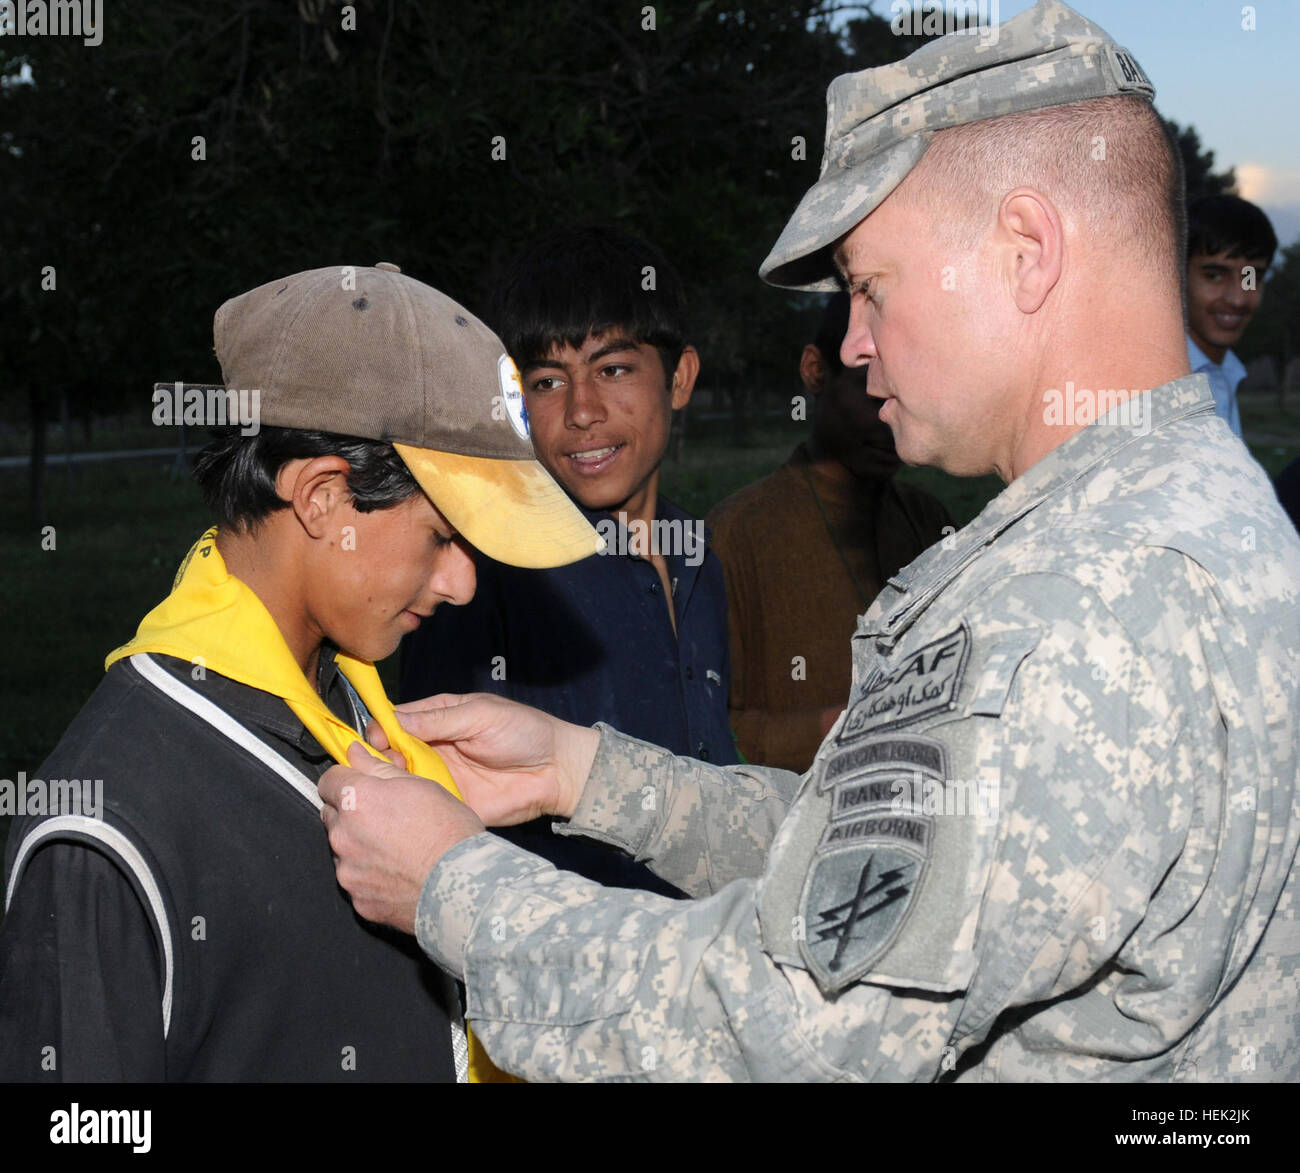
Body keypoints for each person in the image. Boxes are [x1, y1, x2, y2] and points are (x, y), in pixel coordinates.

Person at [319, 0, 1300, 1082]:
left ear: (1026, 248)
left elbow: (792, 1019)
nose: (854, 345)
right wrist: (586, 776)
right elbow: (889, 874)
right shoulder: (1189, 514)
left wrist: (452, 885)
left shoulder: (1084, 601)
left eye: (871, 288)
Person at [0, 263, 600, 1081]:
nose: (464, 583)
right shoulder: (110, 830)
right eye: (443, 535)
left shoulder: (361, 710)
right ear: (321, 497)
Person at [400, 226, 735, 895]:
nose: (582, 411)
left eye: (613, 370)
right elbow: (432, 819)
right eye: (549, 381)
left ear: (681, 378)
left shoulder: (699, 558)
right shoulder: (480, 574)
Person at [707, 292, 953, 772]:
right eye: (870, 387)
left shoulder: (932, 524)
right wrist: (844, 726)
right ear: (816, 370)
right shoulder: (732, 537)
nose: (890, 415)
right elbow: (705, 732)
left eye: (911, 389)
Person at [1184, 194, 1278, 437]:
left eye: (1251, 277)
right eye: (1214, 276)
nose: (1238, 299)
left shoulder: (1224, 372)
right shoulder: (1157, 381)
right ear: (1176, 274)